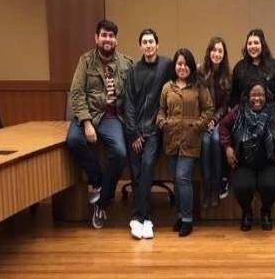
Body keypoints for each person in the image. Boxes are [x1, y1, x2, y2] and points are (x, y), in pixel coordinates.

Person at [65, 19, 133, 229]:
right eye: (104, 35)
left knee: (120, 152)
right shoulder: (85, 61)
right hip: (89, 113)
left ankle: (102, 201)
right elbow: (76, 94)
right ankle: (98, 182)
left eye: (111, 36)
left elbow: (132, 95)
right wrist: (86, 122)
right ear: (96, 38)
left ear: (116, 40)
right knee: (74, 140)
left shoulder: (126, 63)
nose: (107, 39)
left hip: (112, 117)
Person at [156, 48, 214, 237]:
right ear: (175, 66)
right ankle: (180, 216)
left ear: (191, 66)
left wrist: (197, 126)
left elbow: (208, 110)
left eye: (186, 64)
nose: (182, 67)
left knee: (183, 178)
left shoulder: (199, 86)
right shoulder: (167, 87)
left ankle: (188, 219)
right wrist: (162, 123)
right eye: (179, 64)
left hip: (191, 139)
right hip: (171, 139)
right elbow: (161, 110)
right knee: (176, 180)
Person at [220, 81, 275, 231]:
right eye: (253, 95)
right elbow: (224, 126)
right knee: (242, 187)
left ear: (266, 96)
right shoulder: (238, 111)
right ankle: (247, 212)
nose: (257, 98)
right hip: (244, 163)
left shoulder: (274, 111)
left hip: (268, 163)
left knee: (271, 186)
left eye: (261, 95)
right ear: (247, 96)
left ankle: (266, 212)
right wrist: (227, 147)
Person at [123, 28, 173, 240]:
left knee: (146, 167)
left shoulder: (167, 66)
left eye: (151, 41)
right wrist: (134, 133)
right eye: (144, 42)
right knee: (135, 173)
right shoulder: (133, 71)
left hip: (154, 130)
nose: (148, 45)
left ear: (157, 44)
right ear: (140, 46)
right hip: (135, 131)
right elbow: (129, 104)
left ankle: (140, 218)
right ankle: (142, 219)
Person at [228, 28, 275, 199]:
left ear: (262, 45)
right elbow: (234, 96)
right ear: (246, 46)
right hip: (245, 121)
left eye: (256, 43)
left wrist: (273, 112)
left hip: (269, 119)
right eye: (250, 43)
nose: (253, 46)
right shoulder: (240, 68)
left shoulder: (274, 66)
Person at [197, 37, 231, 208]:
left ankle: (216, 188)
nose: (216, 54)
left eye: (220, 51)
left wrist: (215, 119)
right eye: (214, 50)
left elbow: (226, 105)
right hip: (202, 119)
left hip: (219, 119)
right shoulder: (199, 72)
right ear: (209, 51)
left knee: (217, 141)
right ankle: (207, 188)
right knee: (204, 141)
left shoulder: (227, 76)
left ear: (224, 55)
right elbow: (196, 100)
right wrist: (206, 120)